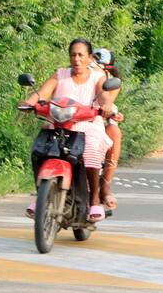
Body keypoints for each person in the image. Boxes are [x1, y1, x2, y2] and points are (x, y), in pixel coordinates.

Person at [23, 38, 117, 222]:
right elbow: (42, 92)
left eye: (81, 55)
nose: (77, 59)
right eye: (73, 54)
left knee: (90, 148)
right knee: (39, 150)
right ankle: (41, 194)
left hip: (88, 123)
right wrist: (29, 103)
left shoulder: (97, 77)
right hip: (57, 123)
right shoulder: (60, 74)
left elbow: (103, 94)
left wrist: (106, 105)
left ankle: (95, 199)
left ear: (89, 57)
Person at [90, 48, 124, 211]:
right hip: (72, 118)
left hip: (97, 119)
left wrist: (111, 112)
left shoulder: (109, 82)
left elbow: (107, 104)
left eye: (100, 64)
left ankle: (105, 187)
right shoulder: (75, 75)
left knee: (114, 132)